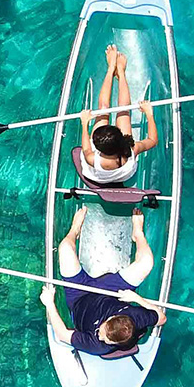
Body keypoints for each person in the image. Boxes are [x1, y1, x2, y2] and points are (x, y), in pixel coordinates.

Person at [40, 207, 168, 358]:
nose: (100, 337)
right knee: (146, 262)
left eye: (106, 339)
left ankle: (74, 229)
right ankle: (137, 234)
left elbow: (62, 334)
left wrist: (49, 303)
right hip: (111, 292)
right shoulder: (135, 317)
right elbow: (161, 318)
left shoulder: (97, 345)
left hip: (79, 297)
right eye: (103, 332)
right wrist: (137, 299)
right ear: (112, 318)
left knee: (65, 248)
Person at [77, 45, 158, 187]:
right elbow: (152, 140)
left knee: (103, 110)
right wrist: (149, 114)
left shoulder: (91, 158)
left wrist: (85, 124)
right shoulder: (131, 150)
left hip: (98, 175)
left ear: (97, 147)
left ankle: (111, 69)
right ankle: (120, 71)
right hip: (124, 174)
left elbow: (86, 147)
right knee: (123, 111)